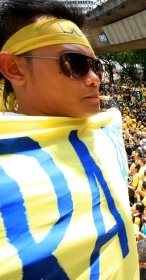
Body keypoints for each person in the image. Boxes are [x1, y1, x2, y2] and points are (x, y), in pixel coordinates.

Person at [0, 1, 138, 279]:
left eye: (95, 67)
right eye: (74, 64)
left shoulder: (109, 130)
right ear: (14, 68)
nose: (93, 79)